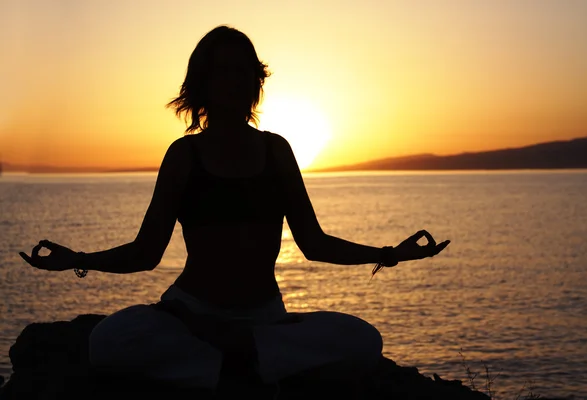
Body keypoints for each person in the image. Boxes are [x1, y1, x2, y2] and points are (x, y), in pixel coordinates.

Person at [19, 25, 450, 391]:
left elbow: (314, 244)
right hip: (190, 314)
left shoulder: (276, 151)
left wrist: (388, 253)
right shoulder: (183, 156)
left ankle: (227, 363)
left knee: (362, 340)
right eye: (221, 71)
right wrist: (77, 260)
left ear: (256, 80)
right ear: (202, 83)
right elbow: (145, 253)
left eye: (242, 70)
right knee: (108, 341)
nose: (233, 80)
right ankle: (245, 365)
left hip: (263, 319)